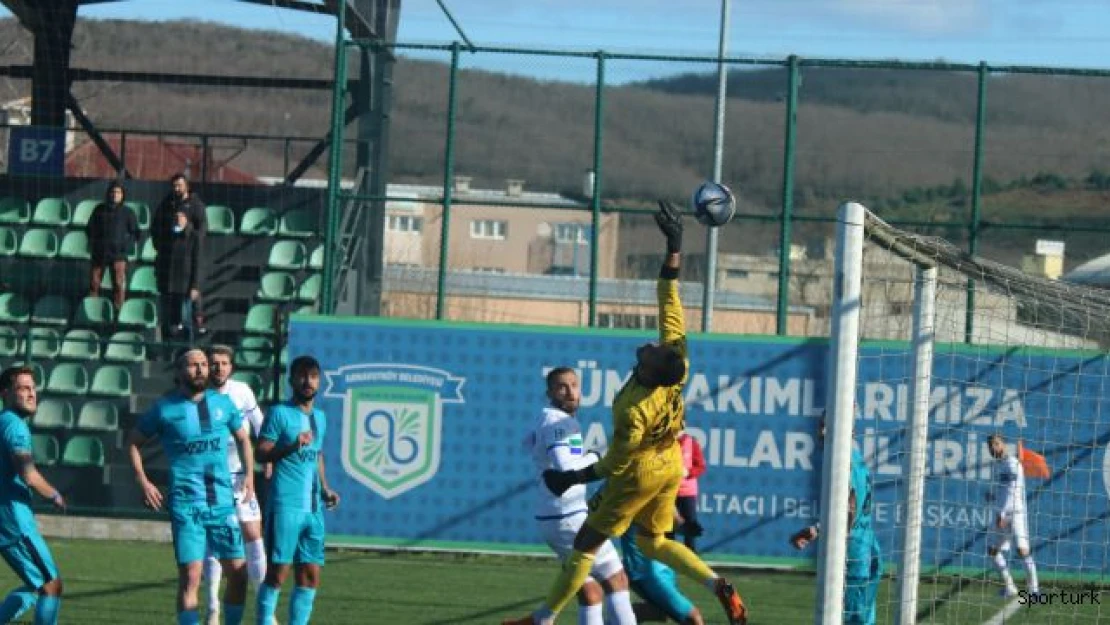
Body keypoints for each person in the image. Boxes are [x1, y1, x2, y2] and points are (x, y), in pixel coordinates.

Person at [504, 201, 747, 625]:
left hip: (644, 470)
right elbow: (669, 297)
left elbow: (618, 462)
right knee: (653, 542)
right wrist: (674, 246)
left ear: (651, 372)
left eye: (651, 352)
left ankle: (542, 619)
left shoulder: (632, 407)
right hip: (672, 461)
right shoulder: (678, 359)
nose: (649, 345)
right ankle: (715, 583)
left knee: (586, 544)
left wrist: (572, 478)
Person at [127, 349, 255, 625]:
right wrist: (143, 481)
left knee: (239, 572)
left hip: (222, 501)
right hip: (187, 505)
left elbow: (244, 439)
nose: (200, 369)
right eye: (192, 365)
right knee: (191, 576)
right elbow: (134, 443)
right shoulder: (165, 408)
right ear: (179, 372)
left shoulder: (223, 403)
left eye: (203, 364)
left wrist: (249, 476)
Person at [524, 366, 637, 625]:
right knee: (616, 579)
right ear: (550, 392)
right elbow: (565, 467)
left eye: (574, 385)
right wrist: (597, 458)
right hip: (568, 518)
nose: (570, 392)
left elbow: (531, 445)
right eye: (561, 386)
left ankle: (543, 619)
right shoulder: (557, 421)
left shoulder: (552, 419)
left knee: (591, 592)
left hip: (555, 517)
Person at [255, 356, 340, 625]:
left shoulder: (320, 418)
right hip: (286, 504)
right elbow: (261, 453)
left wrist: (325, 488)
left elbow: (316, 455)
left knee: (311, 575)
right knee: (278, 572)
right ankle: (264, 620)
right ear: (291, 380)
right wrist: (292, 446)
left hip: (313, 508)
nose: (308, 381)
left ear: (319, 381)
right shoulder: (279, 413)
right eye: (302, 376)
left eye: (313, 376)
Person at [789, 417, 882, 625]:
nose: (820, 432)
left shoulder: (844, 464)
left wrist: (817, 529)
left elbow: (850, 508)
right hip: (868, 548)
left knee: (853, 619)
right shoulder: (857, 458)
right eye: (820, 424)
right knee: (863, 619)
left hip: (855, 555)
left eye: (826, 426)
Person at [203, 345, 269, 625]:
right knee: (213, 541)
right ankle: (213, 607)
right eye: (213, 363)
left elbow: (261, 425)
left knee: (253, 534)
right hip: (209, 478)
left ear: (231, 367)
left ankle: (266, 608)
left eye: (224, 363)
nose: (218, 368)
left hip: (241, 476)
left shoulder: (242, 392)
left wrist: (267, 459)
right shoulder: (197, 395)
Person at [0, 366, 65, 625]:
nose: (31, 393)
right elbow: (28, 474)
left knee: (35, 586)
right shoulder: (14, 427)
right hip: (15, 523)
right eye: (23, 388)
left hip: (8, 520)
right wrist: (54, 495)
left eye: (33, 388)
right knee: (51, 586)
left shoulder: (4, 422)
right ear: (5, 393)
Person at [618, 511, 704, 625]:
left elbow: (676, 521)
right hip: (646, 571)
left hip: (663, 565)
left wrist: (688, 528)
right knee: (692, 618)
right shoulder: (632, 496)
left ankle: (621, 615)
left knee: (662, 613)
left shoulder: (663, 494)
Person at [985, 434, 1039, 599]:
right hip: (1001, 513)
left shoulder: (1012, 464)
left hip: (1014, 514)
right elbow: (1003, 491)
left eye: (996, 444)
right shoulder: (998, 465)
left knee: (1022, 550)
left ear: (1003, 445)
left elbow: (1011, 494)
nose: (992, 447)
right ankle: (1010, 587)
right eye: (990, 445)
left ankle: (1034, 590)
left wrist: (1001, 513)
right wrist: (993, 497)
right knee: (993, 551)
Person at [153, 173, 208, 335]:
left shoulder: (196, 205)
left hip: (186, 272)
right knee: (168, 318)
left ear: (186, 186)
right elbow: (156, 226)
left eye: (180, 185)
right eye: (174, 186)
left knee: (186, 316)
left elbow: (202, 230)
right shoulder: (167, 204)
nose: (177, 189)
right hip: (168, 272)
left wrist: (191, 236)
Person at [86, 180, 140, 312]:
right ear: (108, 194)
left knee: (118, 285)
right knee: (94, 283)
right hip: (99, 254)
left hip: (118, 255)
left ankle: (118, 312)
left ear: (122, 195)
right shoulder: (99, 210)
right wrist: (95, 243)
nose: (115, 195)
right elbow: (89, 229)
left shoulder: (128, 212)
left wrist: (125, 246)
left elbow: (136, 233)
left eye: (118, 192)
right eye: (113, 192)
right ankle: (92, 310)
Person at [154, 209, 201, 343]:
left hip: (184, 286)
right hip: (167, 285)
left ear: (186, 219)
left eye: (181, 216)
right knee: (166, 321)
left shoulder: (194, 237)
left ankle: (188, 347)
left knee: (185, 319)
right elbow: (160, 258)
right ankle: (168, 348)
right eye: (176, 216)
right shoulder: (167, 236)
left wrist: (195, 286)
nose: (178, 219)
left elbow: (197, 263)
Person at [674, 432, 705, 552]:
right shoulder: (664, 442)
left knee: (690, 527)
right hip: (668, 492)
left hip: (687, 493)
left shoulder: (691, 442)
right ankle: (669, 561)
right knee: (668, 528)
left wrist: (688, 472)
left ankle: (691, 558)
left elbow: (701, 466)